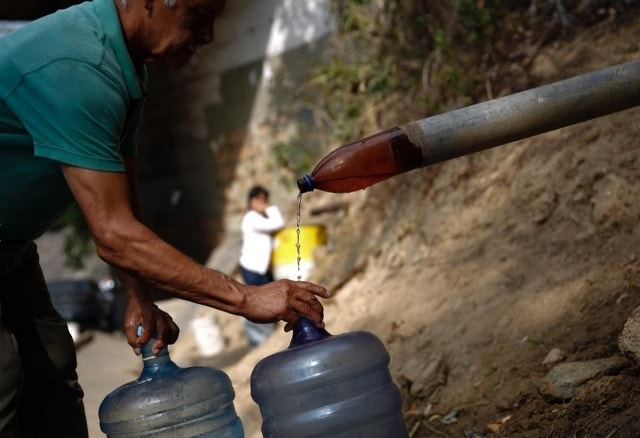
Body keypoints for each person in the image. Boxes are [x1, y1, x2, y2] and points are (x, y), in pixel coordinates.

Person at [0, 0, 330, 436]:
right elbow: (114, 235)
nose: (208, 35)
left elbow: (123, 204)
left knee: (52, 370)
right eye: (199, 14)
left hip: (13, 248)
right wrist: (248, 298)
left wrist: (138, 296)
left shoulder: (126, 69)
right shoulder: (77, 66)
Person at [239, 186, 284, 347]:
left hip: (262, 268)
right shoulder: (251, 218)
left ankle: (267, 334)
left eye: (265, 200)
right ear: (252, 201)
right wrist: (270, 208)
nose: (263, 204)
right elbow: (278, 223)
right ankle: (258, 339)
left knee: (266, 298)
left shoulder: (260, 219)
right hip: (252, 268)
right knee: (255, 301)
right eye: (260, 200)